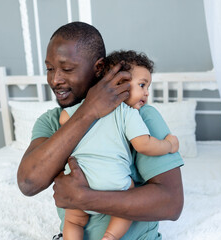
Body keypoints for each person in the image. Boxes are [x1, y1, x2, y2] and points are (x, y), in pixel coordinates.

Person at [17, 21, 184, 240]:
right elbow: (29, 183)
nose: (55, 80)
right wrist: (89, 111)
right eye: (49, 69)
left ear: (98, 68)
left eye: (67, 69)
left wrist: (83, 198)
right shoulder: (50, 122)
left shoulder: (139, 115)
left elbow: (171, 203)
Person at [59, 50, 179, 240]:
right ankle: (111, 236)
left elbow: (64, 119)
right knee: (129, 197)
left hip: (79, 179)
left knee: (73, 220)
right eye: (142, 85)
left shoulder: (83, 109)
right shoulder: (127, 113)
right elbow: (144, 144)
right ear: (119, 83)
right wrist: (169, 145)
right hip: (112, 182)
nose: (146, 92)